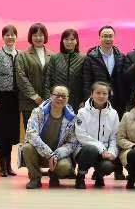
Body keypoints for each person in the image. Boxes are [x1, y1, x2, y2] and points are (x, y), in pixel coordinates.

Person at [82, 25, 128, 178]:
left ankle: (118, 169)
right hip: (98, 102)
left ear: (114, 38)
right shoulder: (91, 57)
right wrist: (88, 101)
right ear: (99, 38)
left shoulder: (121, 56)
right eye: (104, 36)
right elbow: (87, 81)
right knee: (98, 134)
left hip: (117, 102)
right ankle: (98, 169)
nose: (108, 39)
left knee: (116, 135)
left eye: (110, 36)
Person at [21, 85, 78, 189]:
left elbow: (72, 143)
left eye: (64, 96)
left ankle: (54, 175)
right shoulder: (38, 112)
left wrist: (56, 155)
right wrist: (49, 154)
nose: (60, 98)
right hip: (39, 153)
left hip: (58, 156)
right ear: (51, 96)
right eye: (57, 95)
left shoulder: (72, 118)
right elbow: (31, 134)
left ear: (68, 98)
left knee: (65, 167)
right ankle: (35, 178)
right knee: (27, 147)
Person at [74, 81, 120, 189]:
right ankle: (80, 176)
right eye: (98, 93)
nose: (101, 96)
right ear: (91, 94)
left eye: (104, 93)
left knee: (108, 166)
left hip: (105, 152)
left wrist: (111, 152)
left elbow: (114, 137)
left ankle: (99, 175)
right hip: (84, 150)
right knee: (91, 149)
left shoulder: (113, 114)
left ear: (108, 95)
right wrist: (101, 148)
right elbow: (81, 135)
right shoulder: (82, 112)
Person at [0, 25, 21, 177]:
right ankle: (2, 166)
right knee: (1, 134)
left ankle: (9, 165)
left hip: (15, 99)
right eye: (7, 35)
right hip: (0, 99)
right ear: (3, 37)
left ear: (16, 37)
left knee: (11, 133)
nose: (10, 37)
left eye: (13, 34)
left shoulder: (20, 54)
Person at [16, 23, 53, 129]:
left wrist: (48, 98)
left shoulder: (52, 55)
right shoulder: (23, 55)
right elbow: (21, 77)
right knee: (30, 133)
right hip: (29, 102)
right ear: (30, 37)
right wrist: (34, 96)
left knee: (46, 133)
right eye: (35, 35)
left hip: (48, 102)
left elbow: (54, 77)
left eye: (41, 35)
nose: (38, 38)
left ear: (45, 36)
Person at [44, 29, 86, 111]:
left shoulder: (83, 58)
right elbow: (48, 80)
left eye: (72, 39)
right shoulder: (55, 58)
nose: (69, 42)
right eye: (66, 39)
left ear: (76, 41)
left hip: (77, 101)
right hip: (57, 100)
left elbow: (86, 82)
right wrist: (48, 99)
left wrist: (84, 100)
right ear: (62, 41)